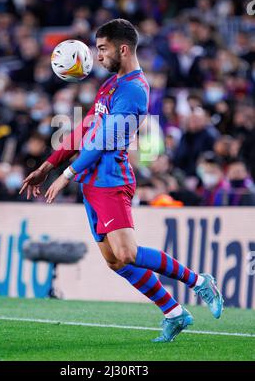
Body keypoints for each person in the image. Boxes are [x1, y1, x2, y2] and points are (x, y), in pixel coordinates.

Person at [19, 19, 224, 343]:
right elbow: (85, 127)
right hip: (91, 182)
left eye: (102, 48)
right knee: (115, 260)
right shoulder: (111, 84)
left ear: (122, 49)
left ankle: (199, 281)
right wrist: (48, 164)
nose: (97, 56)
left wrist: (66, 175)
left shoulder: (133, 90)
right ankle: (174, 313)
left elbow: (103, 139)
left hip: (110, 181)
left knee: (126, 254)